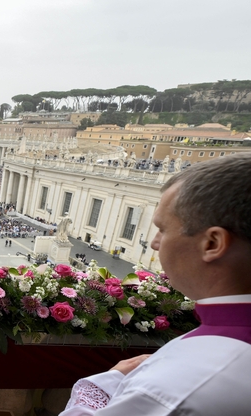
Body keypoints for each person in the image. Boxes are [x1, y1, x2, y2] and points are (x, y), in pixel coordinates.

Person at [60, 153, 251, 415]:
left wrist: (107, 381)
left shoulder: (174, 386)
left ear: (212, 244)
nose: (154, 243)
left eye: (162, 228)